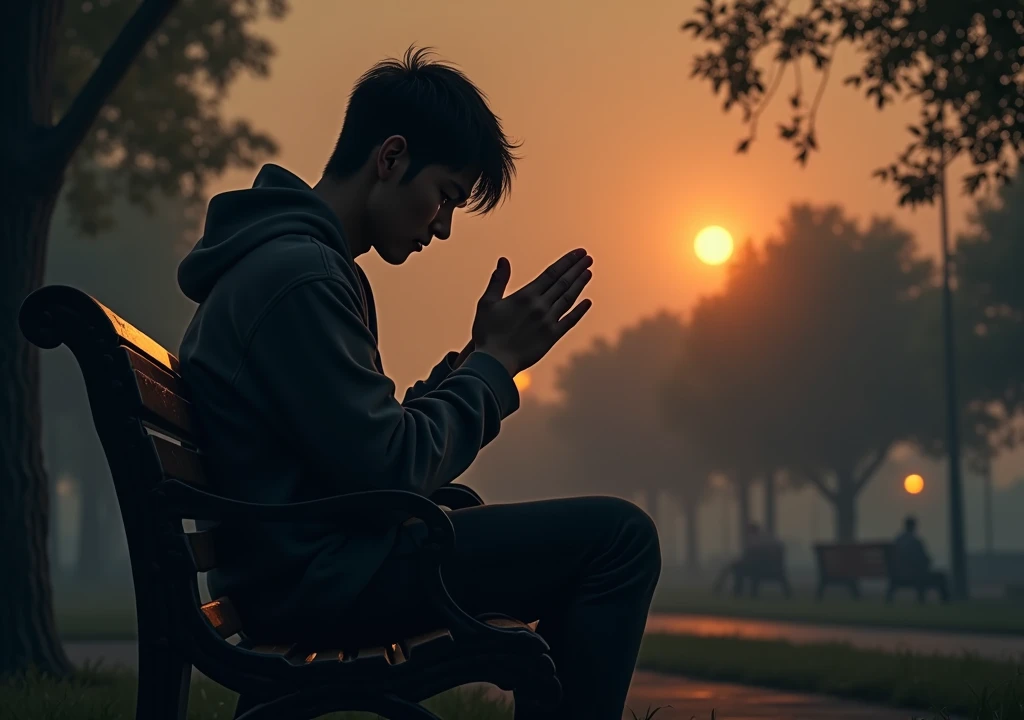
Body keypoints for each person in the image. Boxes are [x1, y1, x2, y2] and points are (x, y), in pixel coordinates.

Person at [176, 47, 661, 719]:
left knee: (599, 538)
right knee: (620, 540)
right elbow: (393, 468)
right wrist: (491, 368)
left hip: (309, 564)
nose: (442, 225)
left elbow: (365, 453)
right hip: (323, 580)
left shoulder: (294, 266)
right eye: (445, 196)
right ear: (392, 157)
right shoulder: (301, 278)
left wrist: (478, 361)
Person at [889, 516, 949, 603]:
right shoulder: (916, 541)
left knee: (926, 575)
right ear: (914, 526)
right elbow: (924, 560)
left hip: (897, 576)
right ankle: (946, 602)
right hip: (915, 576)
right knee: (941, 577)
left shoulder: (897, 540)